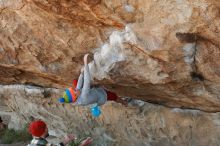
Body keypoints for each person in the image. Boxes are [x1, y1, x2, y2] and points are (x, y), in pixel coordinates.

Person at [59, 54, 127, 106]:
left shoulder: (76, 93)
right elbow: (87, 81)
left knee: (75, 82)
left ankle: (121, 101)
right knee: (114, 96)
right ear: (75, 97)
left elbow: (78, 86)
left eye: (73, 89)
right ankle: (124, 102)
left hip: (92, 92)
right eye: (74, 91)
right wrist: (85, 63)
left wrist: (81, 74)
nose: (75, 89)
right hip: (101, 96)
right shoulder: (83, 97)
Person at [27, 120, 92, 146]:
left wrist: (66, 140)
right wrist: (82, 145)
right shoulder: (44, 144)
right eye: (46, 127)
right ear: (45, 129)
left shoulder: (33, 142)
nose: (47, 128)